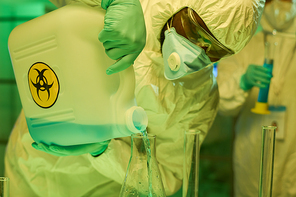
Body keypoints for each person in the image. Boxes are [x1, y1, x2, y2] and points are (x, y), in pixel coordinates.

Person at [4, 0, 264, 196]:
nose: (199, 51)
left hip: (98, 190)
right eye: (196, 32)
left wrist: (104, 150)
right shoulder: (133, 6)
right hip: (31, 164)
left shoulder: (199, 97)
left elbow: (167, 175)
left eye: (215, 50)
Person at [216, 0, 296, 196]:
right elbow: (221, 103)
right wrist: (242, 82)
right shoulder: (242, 41)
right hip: (252, 152)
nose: (280, 5)